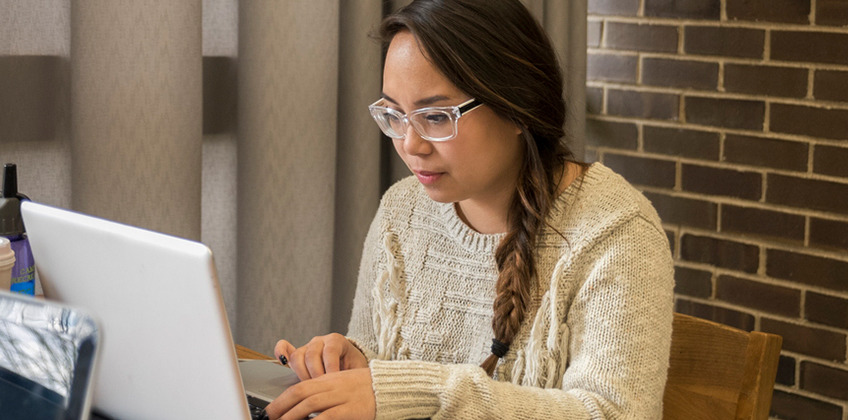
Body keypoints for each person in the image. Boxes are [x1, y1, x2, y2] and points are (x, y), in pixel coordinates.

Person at [265, 1, 675, 419]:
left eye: (437, 117)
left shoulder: (615, 231)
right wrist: (348, 361)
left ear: (518, 106)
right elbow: (380, 363)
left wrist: (426, 392)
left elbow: (612, 413)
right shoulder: (402, 210)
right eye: (394, 115)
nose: (411, 144)